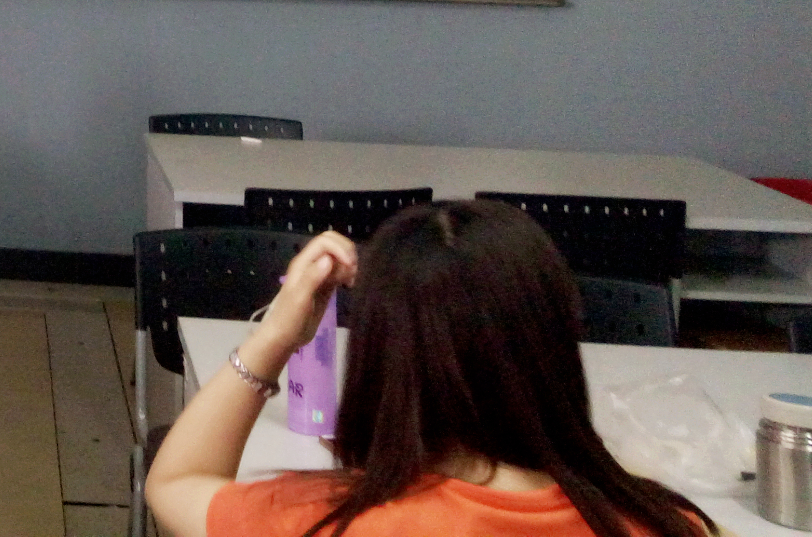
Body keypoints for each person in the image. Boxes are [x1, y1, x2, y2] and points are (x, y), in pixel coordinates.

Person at [146, 199, 715, 537]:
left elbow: (174, 484)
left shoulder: (323, 520)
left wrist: (275, 336)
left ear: (383, 359)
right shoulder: (668, 523)